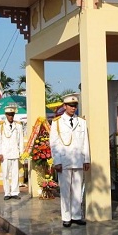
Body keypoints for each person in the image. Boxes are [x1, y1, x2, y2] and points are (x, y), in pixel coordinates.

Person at [49, 94, 90, 227]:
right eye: (70, 106)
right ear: (64, 106)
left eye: (75, 106)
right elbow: (54, 144)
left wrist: (87, 159)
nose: (73, 108)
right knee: (66, 190)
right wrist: (57, 162)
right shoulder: (57, 123)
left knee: (78, 189)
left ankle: (77, 215)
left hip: (78, 159)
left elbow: (85, 142)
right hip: (64, 161)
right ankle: (66, 217)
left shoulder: (82, 122)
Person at [0, 106, 24, 200]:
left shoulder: (18, 125)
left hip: (15, 152)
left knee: (15, 173)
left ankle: (15, 192)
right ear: (6, 115)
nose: (11, 117)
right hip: (5, 153)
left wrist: (21, 153)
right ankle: (7, 192)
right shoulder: (1, 125)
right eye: (9, 115)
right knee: (5, 174)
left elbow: (20, 140)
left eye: (12, 115)